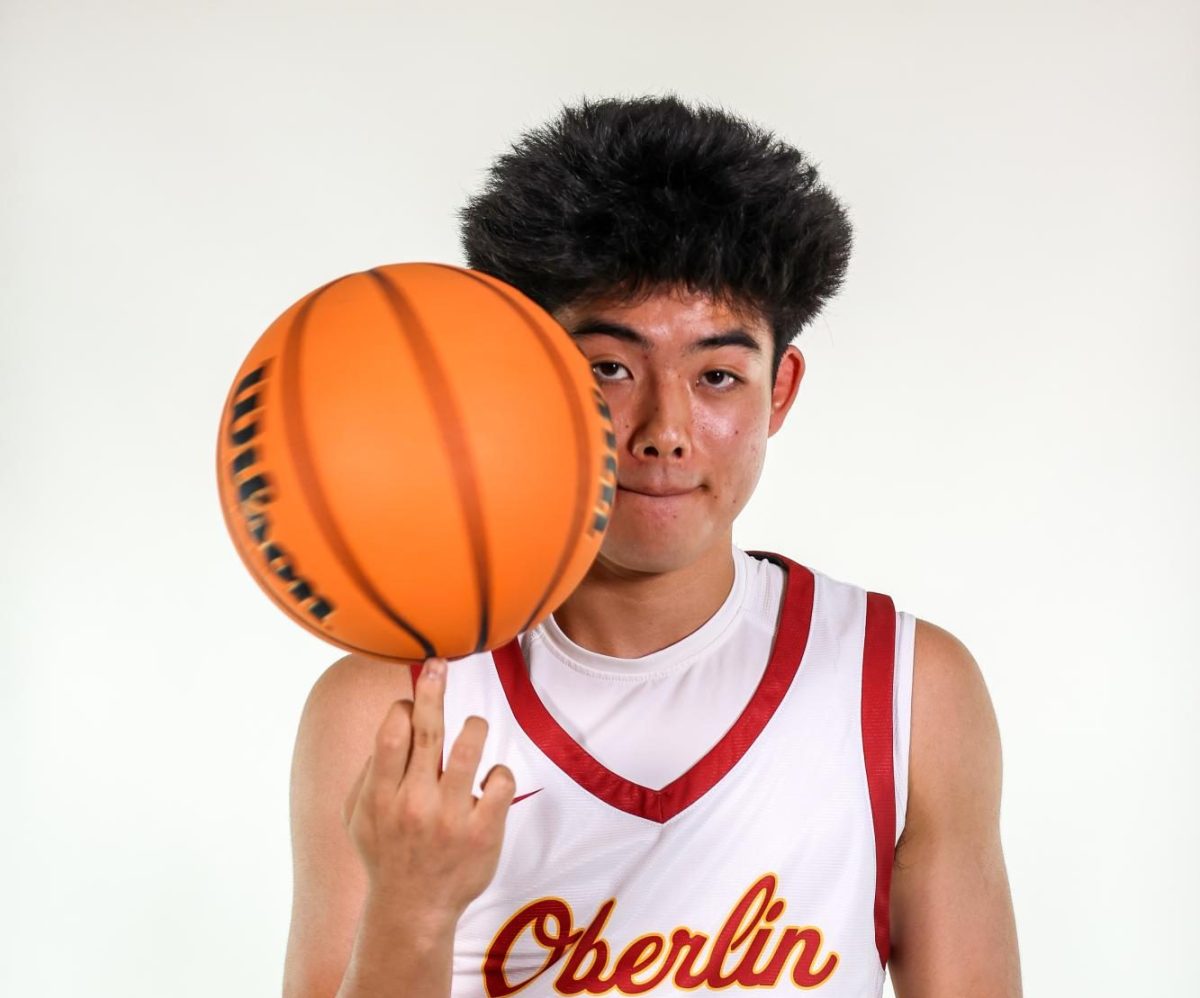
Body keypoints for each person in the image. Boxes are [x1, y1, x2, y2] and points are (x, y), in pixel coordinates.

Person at [282, 95, 1022, 997]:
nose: (664, 430)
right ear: (525, 375)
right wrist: (412, 906)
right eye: (610, 369)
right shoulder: (388, 705)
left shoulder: (908, 690)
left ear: (779, 390)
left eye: (717, 375)